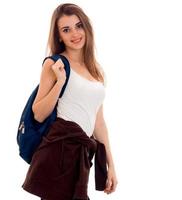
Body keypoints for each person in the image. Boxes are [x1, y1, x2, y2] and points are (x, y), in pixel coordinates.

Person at [21, 3, 117, 200]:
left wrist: (111, 165)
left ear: (86, 27)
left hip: (80, 154)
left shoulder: (96, 71)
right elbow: (38, 113)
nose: (75, 33)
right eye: (66, 29)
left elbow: (99, 123)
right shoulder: (54, 64)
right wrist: (60, 82)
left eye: (78, 26)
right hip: (59, 150)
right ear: (59, 36)